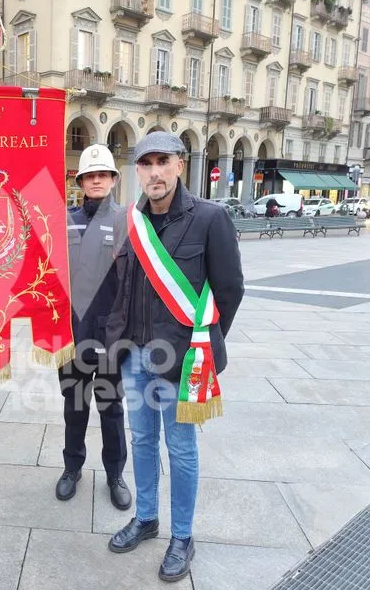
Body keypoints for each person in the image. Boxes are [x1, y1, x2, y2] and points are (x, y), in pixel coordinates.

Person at [105, 132, 244, 582]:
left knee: (181, 449)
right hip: (135, 358)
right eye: (145, 164)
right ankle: (147, 518)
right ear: (138, 172)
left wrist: (204, 342)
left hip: (181, 361)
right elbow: (122, 288)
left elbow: (230, 289)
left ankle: (182, 536)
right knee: (142, 442)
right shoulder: (132, 221)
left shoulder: (210, 217)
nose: (154, 172)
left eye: (162, 161)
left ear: (180, 165)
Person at [55, 144, 131, 511]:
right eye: (90, 175)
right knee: (74, 405)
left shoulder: (127, 221)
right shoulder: (65, 219)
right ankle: (72, 468)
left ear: (113, 180)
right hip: (70, 333)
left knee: (111, 409)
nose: (96, 180)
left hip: (109, 335)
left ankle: (115, 474)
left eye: (103, 174)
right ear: (80, 181)